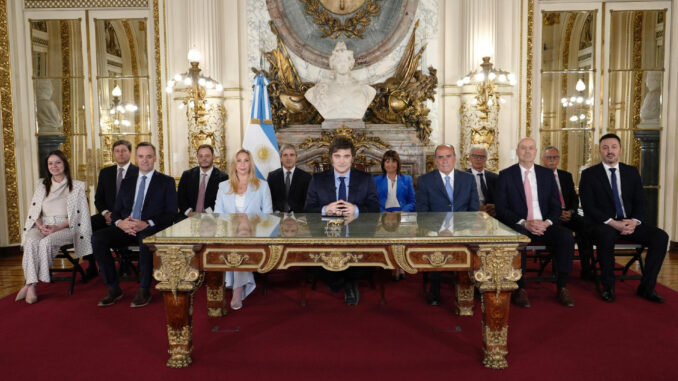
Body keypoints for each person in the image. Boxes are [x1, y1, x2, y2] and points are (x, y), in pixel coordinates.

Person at [579, 133, 668, 303]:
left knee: (660, 237)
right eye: (605, 148)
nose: (609, 151)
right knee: (606, 236)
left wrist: (634, 221)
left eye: (613, 147)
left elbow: (641, 202)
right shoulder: (590, 174)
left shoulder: (631, 172)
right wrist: (614, 223)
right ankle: (608, 286)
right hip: (603, 223)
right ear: (600, 151)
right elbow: (589, 207)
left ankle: (647, 287)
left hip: (629, 222)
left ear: (620, 150)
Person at [91, 142, 177, 308]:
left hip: (150, 227)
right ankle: (113, 288)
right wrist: (120, 223)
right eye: (141, 156)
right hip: (126, 227)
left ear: (155, 158)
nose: (145, 160)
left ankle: (144, 289)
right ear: (136, 158)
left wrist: (146, 223)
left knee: (145, 239)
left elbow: (171, 213)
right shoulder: (127, 182)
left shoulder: (166, 182)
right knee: (98, 238)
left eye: (149, 156)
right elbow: (116, 211)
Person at [495, 137, 575, 308]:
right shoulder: (506, 175)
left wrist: (546, 223)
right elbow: (501, 209)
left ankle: (562, 286)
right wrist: (525, 223)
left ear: (536, 152)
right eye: (523, 148)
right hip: (520, 225)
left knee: (566, 237)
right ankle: (521, 288)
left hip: (544, 225)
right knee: (520, 238)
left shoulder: (546, 174)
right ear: (517, 151)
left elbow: (556, 206)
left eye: (531, 148)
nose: (527, 151)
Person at [304, 136, 380, 306]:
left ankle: (347, 280)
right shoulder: (317, 180)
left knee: (363, 260)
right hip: (326, 235)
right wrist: (325, 209)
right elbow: (308, 211)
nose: (342, 161)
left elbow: (375, 208)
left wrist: (357, 210)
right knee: (317, 263)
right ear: (331, 158)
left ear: (352, 158)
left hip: (358, 233)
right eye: (337, 156)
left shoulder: (366, 179)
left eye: (346, 156)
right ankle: (346, 282)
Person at [17, 150, 92, 304]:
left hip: (65, 227)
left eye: (58, 162)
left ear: (64, 164)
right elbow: (34, 210)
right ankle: (31, 285)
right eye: (50, 163)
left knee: (45, 243)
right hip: (42, 224)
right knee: (31, 240)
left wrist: (57, 228)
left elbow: (79, 216)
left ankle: (30, 284)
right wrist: (40, 225)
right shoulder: (41, 184)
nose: (54, 166)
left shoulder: (77, 186)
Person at [415, 144, 479, 306]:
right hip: (436, 230)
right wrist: (439, 230)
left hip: (463, 229)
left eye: (448, 156)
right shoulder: (424, 181)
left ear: (455, 158)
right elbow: (422, 213)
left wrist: (463, 228)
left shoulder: (468, 179)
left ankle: (468, 286)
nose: (444, 160)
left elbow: (474, 209)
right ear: (435, 160)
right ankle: (434, 288)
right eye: (440, 157)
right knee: (437, 248)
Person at [214, 149, 273, 310]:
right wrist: (234, 222)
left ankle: (237, 290)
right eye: (238, 160)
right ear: (234, 164)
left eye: (246, 160)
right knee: (236, 244)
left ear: (250, 163)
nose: (242, 164)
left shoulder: (262, 186)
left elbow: (268, 215)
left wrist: (249, 221)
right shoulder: (223, 186)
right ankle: (237, 287)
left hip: (254, 234)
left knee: (240, 245)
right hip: (229, 232)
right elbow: (217, 214)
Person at [541, 146, 595, 280]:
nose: (552, 160)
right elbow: (539, 202)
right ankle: (559, 270)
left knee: (585, 227)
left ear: (559, 159)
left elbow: (574, 199)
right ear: (543, 159)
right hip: (551, 216)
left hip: (568, 214)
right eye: (549, 157)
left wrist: (571, 211)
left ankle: (586, 268)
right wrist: (556, 213)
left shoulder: (566, 176)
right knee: (560, 233)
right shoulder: (538, 176)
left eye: (555, 157)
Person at [89, 139, 139, 280]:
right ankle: (92, 263)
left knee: (119, 230)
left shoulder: (138, 172)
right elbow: (98, 199)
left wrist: (119, 218)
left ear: (130, 153)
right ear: (113, 154)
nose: (120, 154)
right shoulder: (106, 173)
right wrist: (106, 213)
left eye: (123, 150)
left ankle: (124, 260)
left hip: (127, 217)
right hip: (107, 215)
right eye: (117, 151)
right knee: (87, 224)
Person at [304, 41, 376, 120]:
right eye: (339, 61)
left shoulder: (365, 90)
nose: (342, 64)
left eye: (345, 61)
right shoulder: (320, 89)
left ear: (350, 64)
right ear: (333, 64)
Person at [177, 144, 228, 220]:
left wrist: (205, 214)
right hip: (187, 217)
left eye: (207, 156)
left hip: (211, 219)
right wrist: (189, 212)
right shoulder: (187, 175)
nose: (204, 159)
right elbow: (180, 197)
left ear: (213, 156)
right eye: (201, 156)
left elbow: (222, 202)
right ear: (197, 157)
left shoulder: (223, 177)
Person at [267, 144, 311, 213]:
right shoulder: (272, 176)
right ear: (281, 158)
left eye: (291, 155)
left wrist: (293, 215)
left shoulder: (306, 177)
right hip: (278, 217)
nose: (288, 158)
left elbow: (307, 202)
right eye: (285, 155)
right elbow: (268, 200)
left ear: (296, 158)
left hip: (298, 219)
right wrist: (278, 213)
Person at [466, 144, 498, 217]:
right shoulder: (462, 178)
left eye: (482, 156)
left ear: (486, 158)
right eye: (475, 156)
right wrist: (476, 208)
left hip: (491, 216)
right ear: (470, 158)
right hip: (470, 215)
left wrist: (495, 206)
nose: (478, 159)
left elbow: (501, 199)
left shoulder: (495, 177)